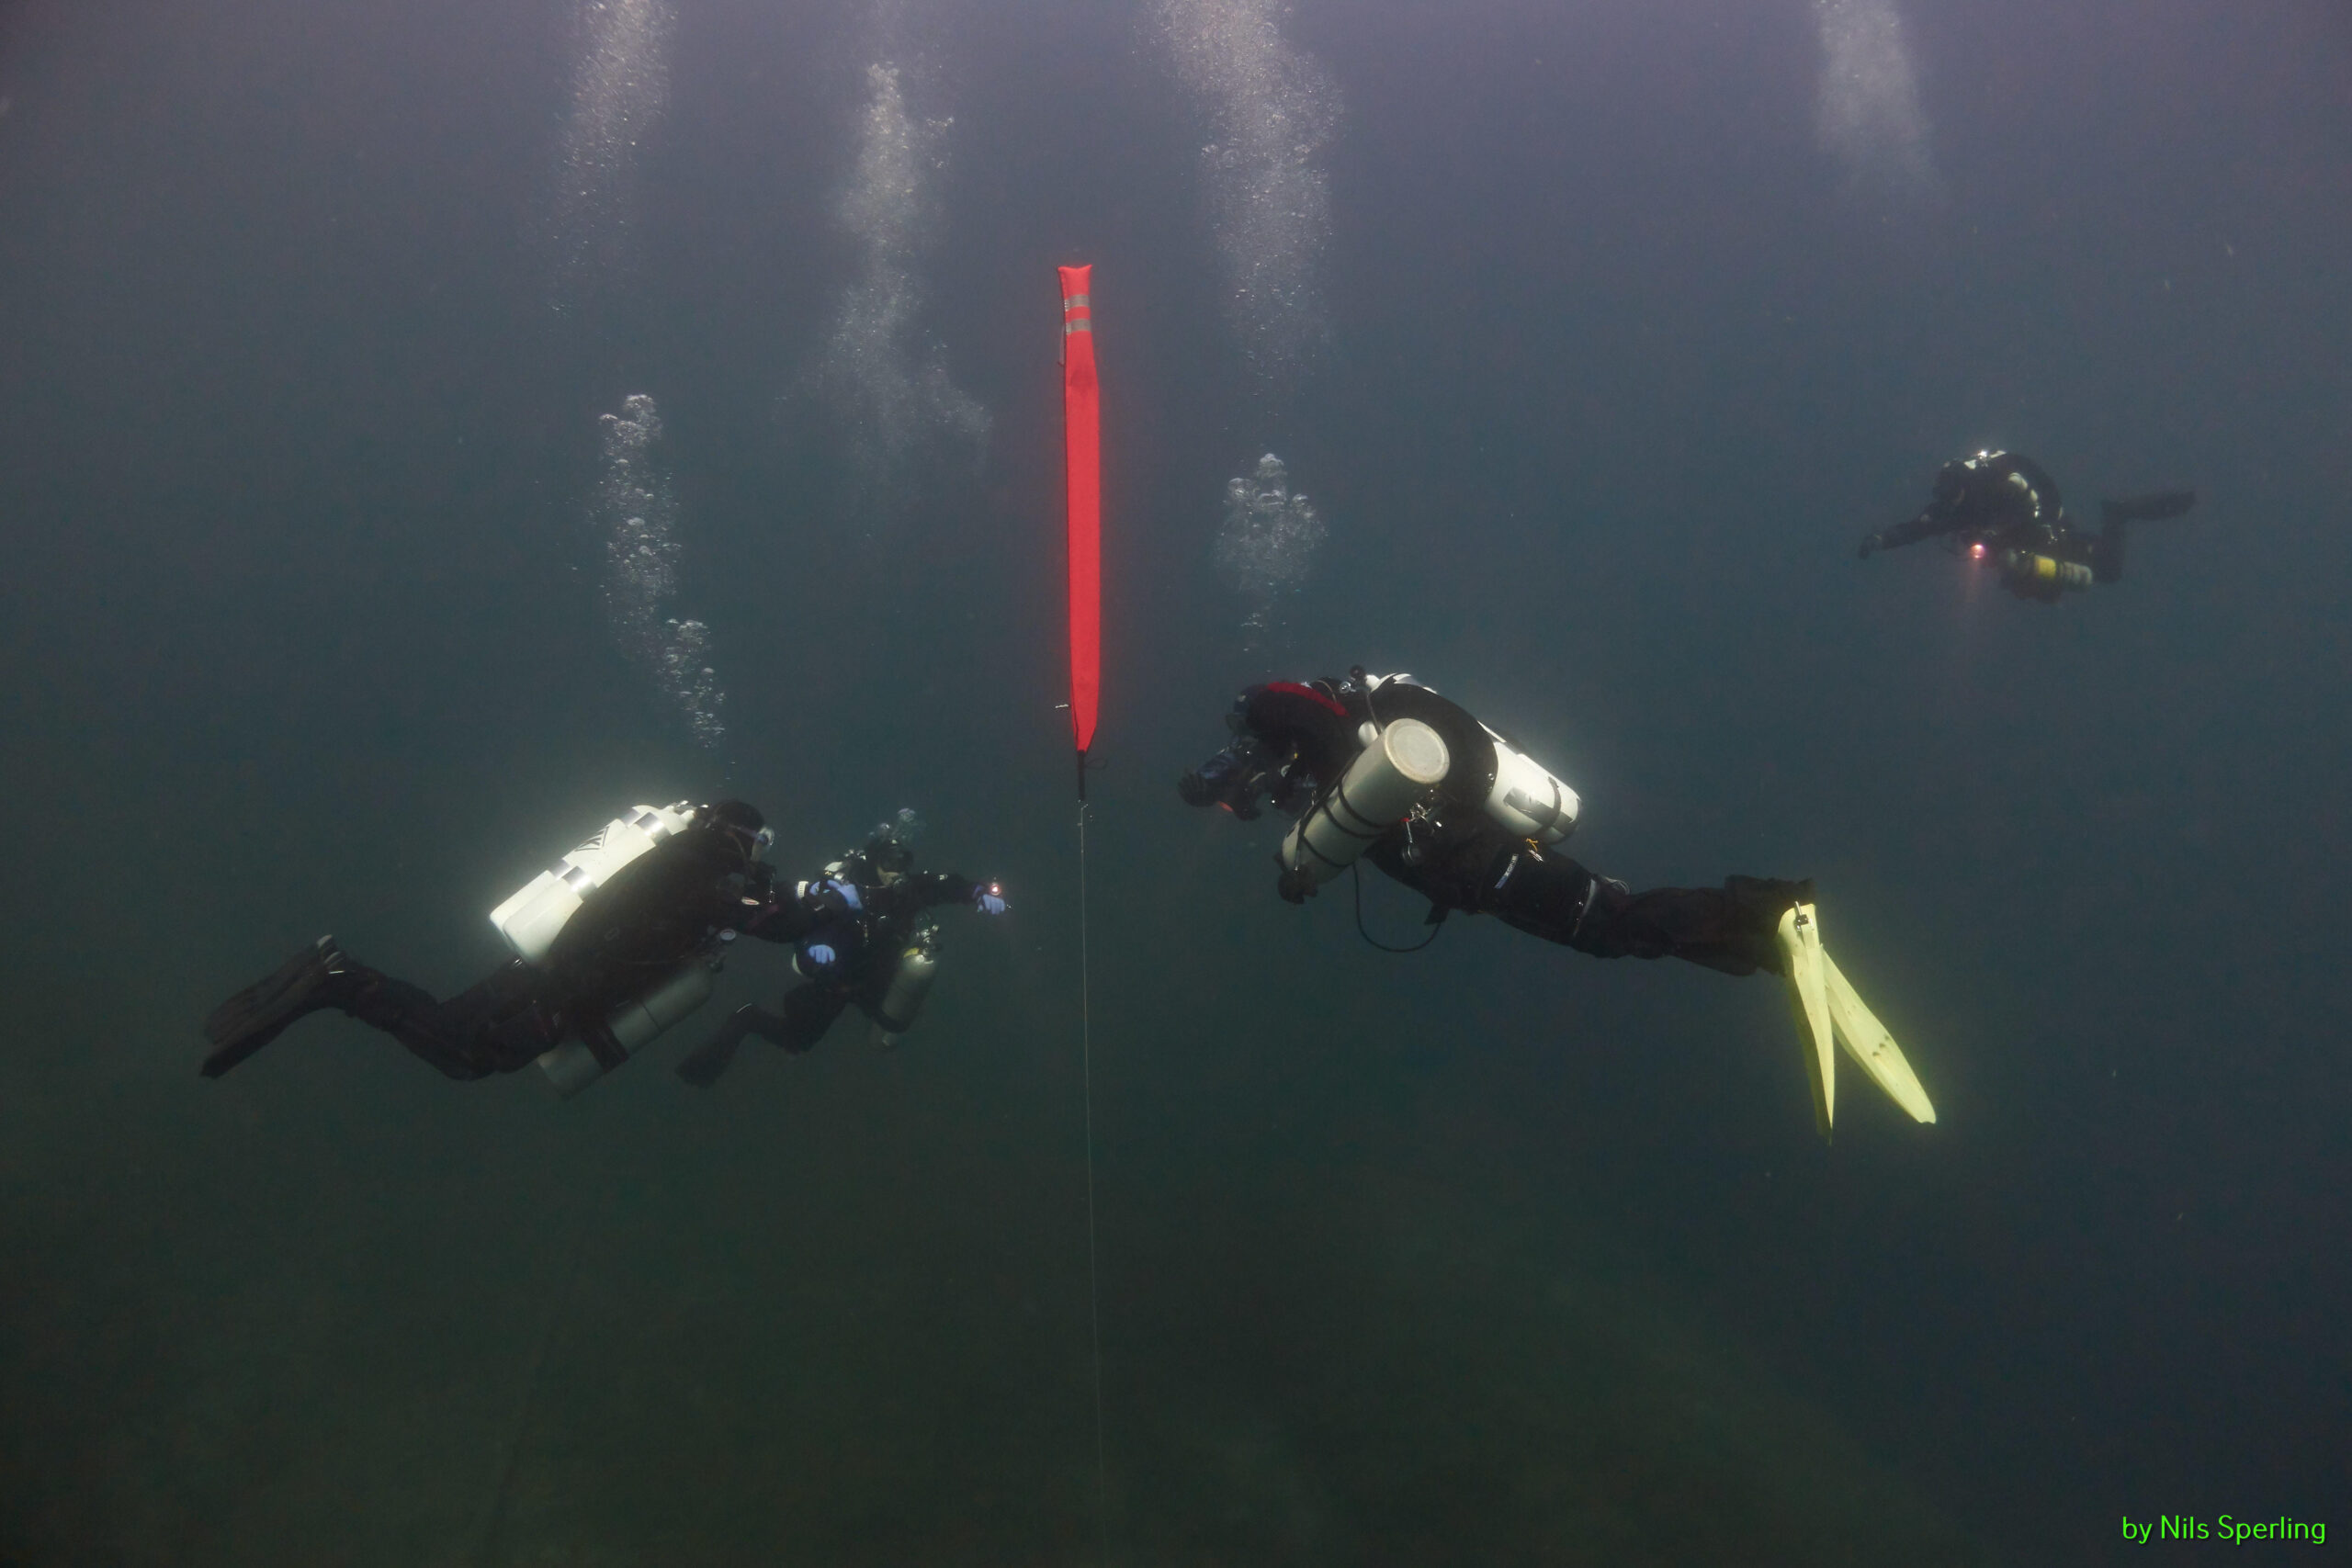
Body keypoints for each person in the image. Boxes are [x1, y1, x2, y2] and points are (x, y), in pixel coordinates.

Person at [1181, 670, 1938, 1133]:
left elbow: (1318, 732)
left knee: (1606, 921)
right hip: (1469, 866)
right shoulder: (1329, 747)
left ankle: (1771, 912)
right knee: (1605, 927)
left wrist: (1252, 770)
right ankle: (1767, 942)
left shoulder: (1278, 706)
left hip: (1472, 856)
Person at [201, 800, 815, 1083]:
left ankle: (333, 976)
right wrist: (822, 903)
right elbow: (775, 926)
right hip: (571, 987)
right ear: (739, 836)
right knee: (471, 1060)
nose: (756, 857)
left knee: (449, 1024)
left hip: (548, 961)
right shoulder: (706, 874)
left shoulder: (680, 856)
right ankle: (340, 981)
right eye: (758, 843)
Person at [675, 813, 1008, 1086]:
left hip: (875, 979)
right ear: (875, 861)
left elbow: (946, 885)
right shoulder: (844, 889)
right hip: (836, 980)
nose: (897, 870)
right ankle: (745, 1020)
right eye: (889, 862)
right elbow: (802, 924)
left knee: (894, 1024)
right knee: (797, 1041)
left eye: (903, 862)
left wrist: (978, 892)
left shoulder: (909, 891)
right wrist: (813, 946)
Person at [1857, 449, 2197, 602]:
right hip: (2021, 554)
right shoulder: (1951, 508)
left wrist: (1998, 533)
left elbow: (2037, 499)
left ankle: (2118, 514)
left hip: (2042, 536)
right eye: (1945, 499)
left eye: (1954, 497)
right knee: (2041, 588)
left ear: (1964, 487)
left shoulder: (1996, 484)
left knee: (2108, 569)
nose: (1951, 506)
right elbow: (1917, 528)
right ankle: (2115, 517)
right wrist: (1881, 539)